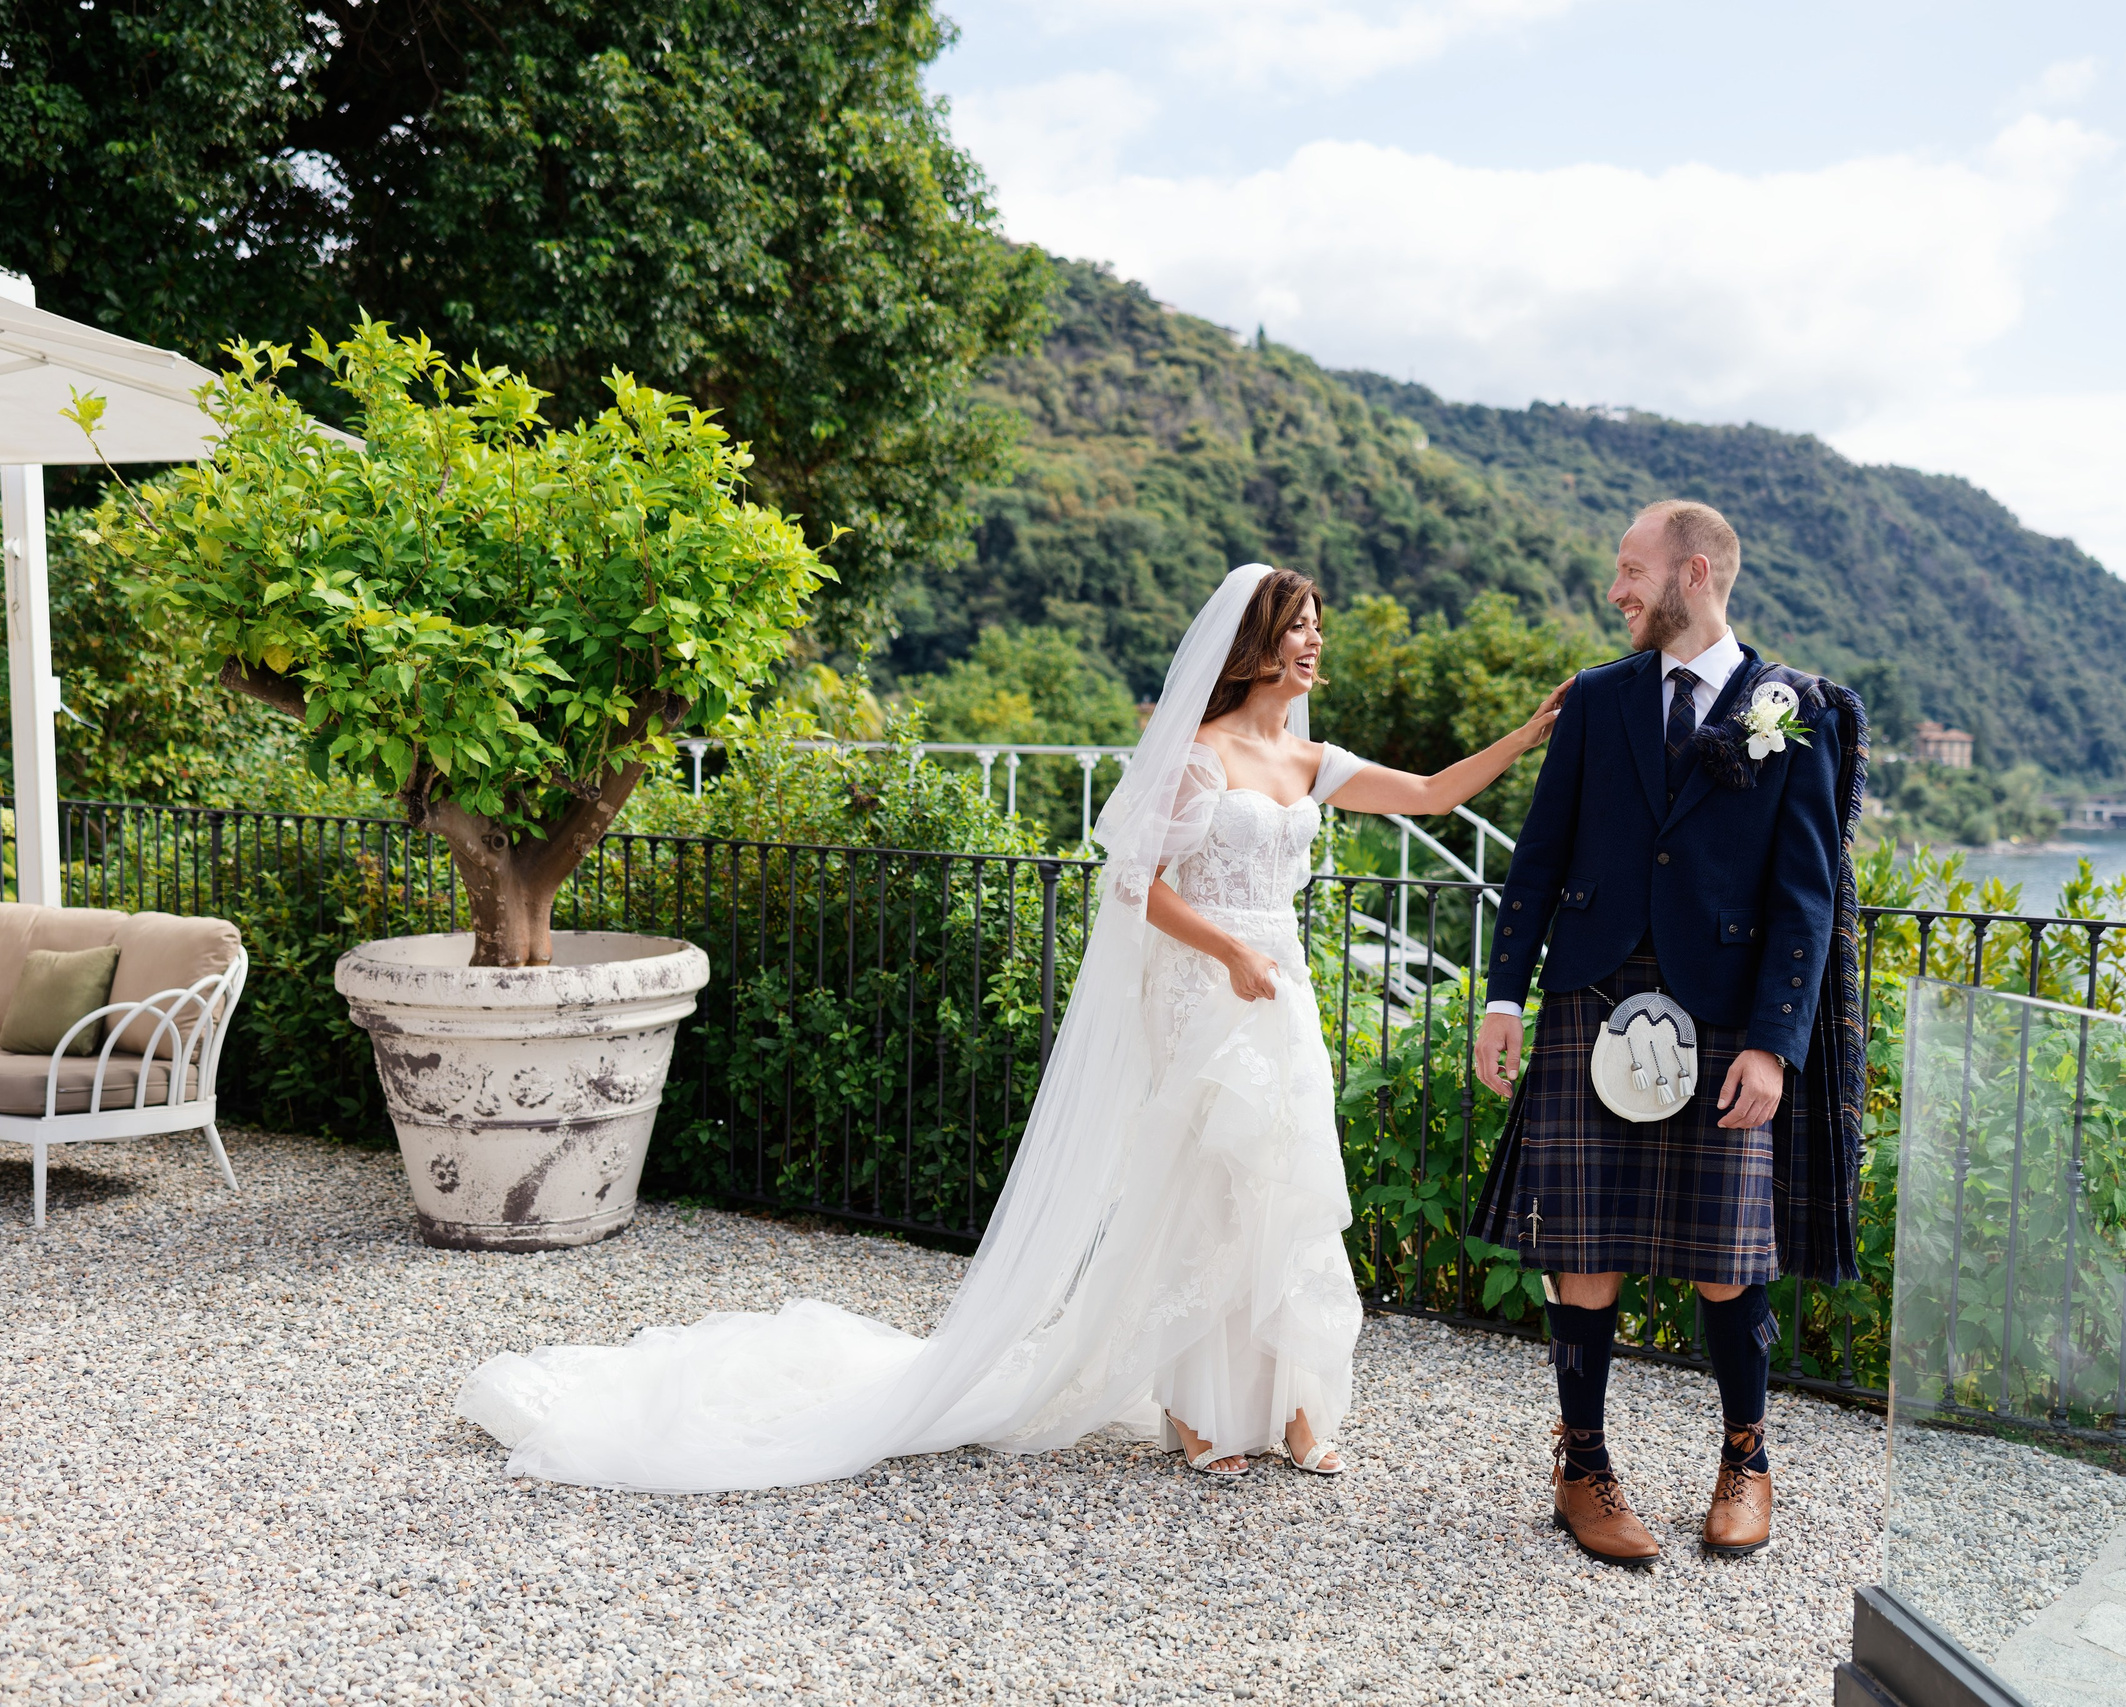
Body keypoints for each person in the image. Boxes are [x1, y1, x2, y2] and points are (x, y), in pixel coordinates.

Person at [454, 563, 1567, 1491]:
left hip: (1277, 987)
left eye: (1319, 629)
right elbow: (1138, 887)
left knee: (1285, 1181)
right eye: (1298, 629)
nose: (1314, 645)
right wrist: (1224, 950)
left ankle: (1295, 1406)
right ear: (1252, 645)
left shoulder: (1314, 762)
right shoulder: (1203, 751)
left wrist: (1527, 735)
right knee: (1200, 1183)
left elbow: (1428, 795)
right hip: (1201, 980)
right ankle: (1193, 1404)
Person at [1469, 500, 1869, 1567]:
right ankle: (1582, 1466)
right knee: (1583, 1248)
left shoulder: (1796, 708)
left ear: (1694, 572)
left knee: (1727, 1259)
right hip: (1590, 997)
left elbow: (1805, 898)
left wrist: (1775, 1043)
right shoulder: (1598, 702)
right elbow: (1539, 858)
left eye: (1631, 571)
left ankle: (1746, 1459)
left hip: (1726, 1012)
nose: (1618, 592)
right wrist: (1504, 998)